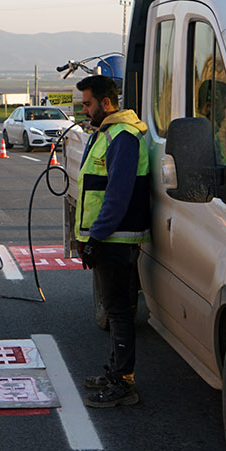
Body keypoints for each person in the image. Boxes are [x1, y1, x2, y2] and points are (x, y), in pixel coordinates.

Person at [73, 74, 151, 408]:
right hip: (107, 238)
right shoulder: (106, 133)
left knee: (119, 311)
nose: (85, 110)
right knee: (114, 308)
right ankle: (115, 371)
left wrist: (97, 237)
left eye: (88, 103)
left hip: (115, 239)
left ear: (107, 103)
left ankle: (123, 383)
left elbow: (117, 195)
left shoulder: (123, 137)